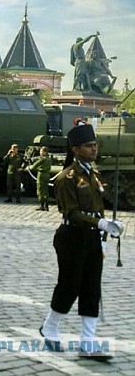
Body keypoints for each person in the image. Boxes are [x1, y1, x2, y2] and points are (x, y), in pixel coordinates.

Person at [39, 121, 123, 361]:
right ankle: (50, 327)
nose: (94, 149)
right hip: (72, 237)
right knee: (70, 285)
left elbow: (98, 209)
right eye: (88, 146)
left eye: (95, 145)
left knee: (91, 288)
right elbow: (71, 213)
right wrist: (101, 224)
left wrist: (107, 231)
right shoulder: (66, 178)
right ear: (75, 149)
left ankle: (87, 342)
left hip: (92, 238)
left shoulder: (93, 175)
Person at [27, 146, 52, 211]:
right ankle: (46, 206)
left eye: (41, 151)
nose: (40, 153)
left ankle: (42, 205)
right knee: (46, 190)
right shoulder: (48, 159)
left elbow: (34, 166)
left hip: (41, 175)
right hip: (47, 175)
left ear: (45, 152)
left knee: (40, 190)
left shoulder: (42, 159)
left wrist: (30, 164)